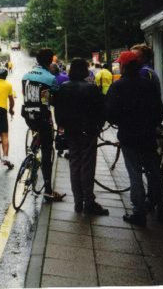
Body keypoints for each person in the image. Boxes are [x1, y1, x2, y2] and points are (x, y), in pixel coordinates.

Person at [106, 51, 163, 226]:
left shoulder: (118, 87)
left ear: (124, 66)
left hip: (129, 136)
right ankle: (162, 209)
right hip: (148, 135)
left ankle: (139, 212)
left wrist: (122, 122)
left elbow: (110, 114)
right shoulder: (149, 85)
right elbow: (159, 111)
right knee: (154, 172)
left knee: (134, 174)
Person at [54, 59, 108, 215]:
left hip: (71, 131)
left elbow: (58, 110)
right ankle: (89, 202)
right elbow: (101, 110)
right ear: (84, 70)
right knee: (88, 166)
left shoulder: (64, 88)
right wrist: (98, 126)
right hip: (88, 132)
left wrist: (62, 125)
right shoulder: (91, 88)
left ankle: (78, 201)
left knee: (74, 164)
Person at [21, 48, 66, 201]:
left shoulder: (26, 75)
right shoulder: (50, 77)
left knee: (37, 130)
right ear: (50, 62)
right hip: (42, 116)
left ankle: (33, 152)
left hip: (27, 115)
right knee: (47, 151)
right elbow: (55, 100)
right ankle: (48, 190)